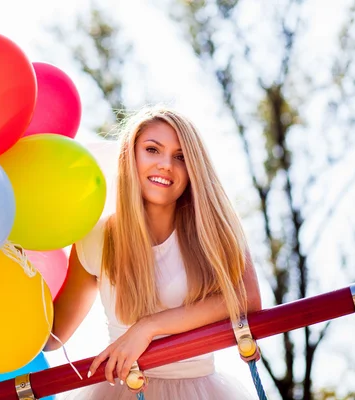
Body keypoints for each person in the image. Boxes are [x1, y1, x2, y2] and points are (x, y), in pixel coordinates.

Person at [44, 106, 263, 399]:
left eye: (180, 156)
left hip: (201, 389)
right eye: (152, 150)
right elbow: (54, 335)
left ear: (193, 168)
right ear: (130, 157)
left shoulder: (215, 230)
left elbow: (247, 300)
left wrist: (147, 328)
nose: (165, 165)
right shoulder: (96, 238)